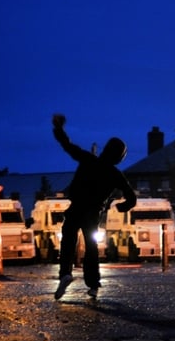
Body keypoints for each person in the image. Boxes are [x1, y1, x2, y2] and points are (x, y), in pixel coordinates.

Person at [51, 113, 136, 300]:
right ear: (119, 157)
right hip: (93, 213)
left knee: (68, 241)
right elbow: (131, 197)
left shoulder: (88, 159)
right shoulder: (115, 174)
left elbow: (68, 146)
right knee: (91, 247)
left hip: (76, 207)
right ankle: (93, 283)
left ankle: (65, 273)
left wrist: (59, 129)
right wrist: (121, 207)